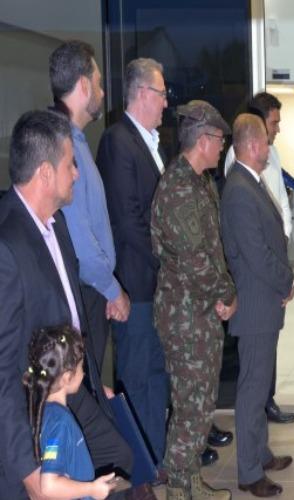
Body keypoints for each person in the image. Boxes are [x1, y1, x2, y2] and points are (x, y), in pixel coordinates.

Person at [0, 109, 135, 499]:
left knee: (119, 460)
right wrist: (27, 468)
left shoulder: (56, 224)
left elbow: (69, 317)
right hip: (34, 412)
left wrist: (89, 380)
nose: (76, 173)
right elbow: (3, 369)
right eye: (70, 164)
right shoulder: (7, 245)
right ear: (45, 173)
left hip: (70, 388)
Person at [151, 100, 236, 500]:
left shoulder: (200, 182)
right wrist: (226, 293)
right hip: (185, 316)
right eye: (219, 139)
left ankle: (192, 484)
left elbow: (211, 251)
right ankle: (177, 490)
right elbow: (194, 259)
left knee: (201, 406)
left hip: (200, 312)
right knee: (189, 409)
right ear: (203, 140)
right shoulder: (179, 188)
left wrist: (220, 295)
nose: (222, 146)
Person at [96, 57, 170, 470]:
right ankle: (138, 473)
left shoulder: (149, 143)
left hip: (155, 287)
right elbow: (128, 222)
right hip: (136, 286)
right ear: (142, 93)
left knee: (156, 378)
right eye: (161, 94)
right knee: (138, 381)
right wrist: (168, 262)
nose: (165, 103)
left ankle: (154, 463)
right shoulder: (118, 141)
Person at [221, 113, 294, 497]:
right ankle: (249, 472)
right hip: (255, 304)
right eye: (266, 141)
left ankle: (260, 453)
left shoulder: (249, 181)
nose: (270, 147)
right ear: (252, 145)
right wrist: (288, 280)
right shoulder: (238, 189)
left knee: (260, 383)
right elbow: (256, 254)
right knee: (252, 390)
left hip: (264, 302)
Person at [49, 40, 130, 372]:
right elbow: (80, 240)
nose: (102, 92)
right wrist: (112, 290)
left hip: (91, 292)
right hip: (84, 296)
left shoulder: (75, 143)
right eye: (98, 83)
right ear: (83, 85)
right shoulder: (63, 148)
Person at [24, 325, 117, 500]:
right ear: (67, 377)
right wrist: (91, 489)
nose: (84, 373)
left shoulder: (44, 412)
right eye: (81, 367)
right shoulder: (60, 422)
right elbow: (49, 486)